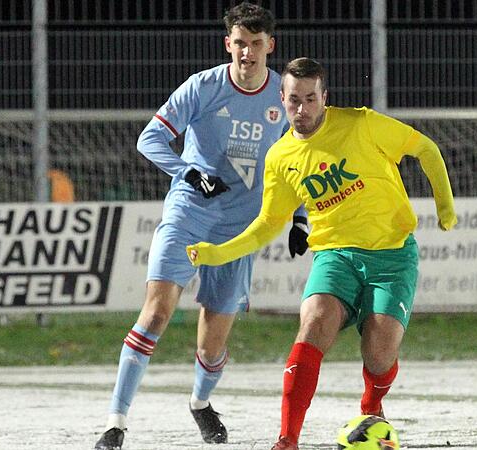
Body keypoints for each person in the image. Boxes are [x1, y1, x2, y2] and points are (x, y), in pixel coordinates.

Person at [186, 57, 457, 450]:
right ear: (281, 99)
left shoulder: (361, 123)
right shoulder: (280, 157)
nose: (302, 109)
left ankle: (371, 406)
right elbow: (268, 223)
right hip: (335, 256)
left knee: (380, 354)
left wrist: (445, 207)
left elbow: (426, 149)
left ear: (324, 97)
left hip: (392, 255)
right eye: (294, 100)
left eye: (310, 99)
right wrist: (218, 253)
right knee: (313, 323)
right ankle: (287, 439)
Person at [94, 4, 308, 449]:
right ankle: (115, 423)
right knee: (156, 313)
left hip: (241, 228)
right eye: (239, 43)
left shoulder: (284, 95)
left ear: (270, 45)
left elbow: (301, 158)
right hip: (189, 213)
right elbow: (150, 138)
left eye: (255, 43)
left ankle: (199, 402)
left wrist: (300, 216)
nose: (247, 52)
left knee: (212, 345)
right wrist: (188, 173)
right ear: (227, 44)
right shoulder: (203, 86)